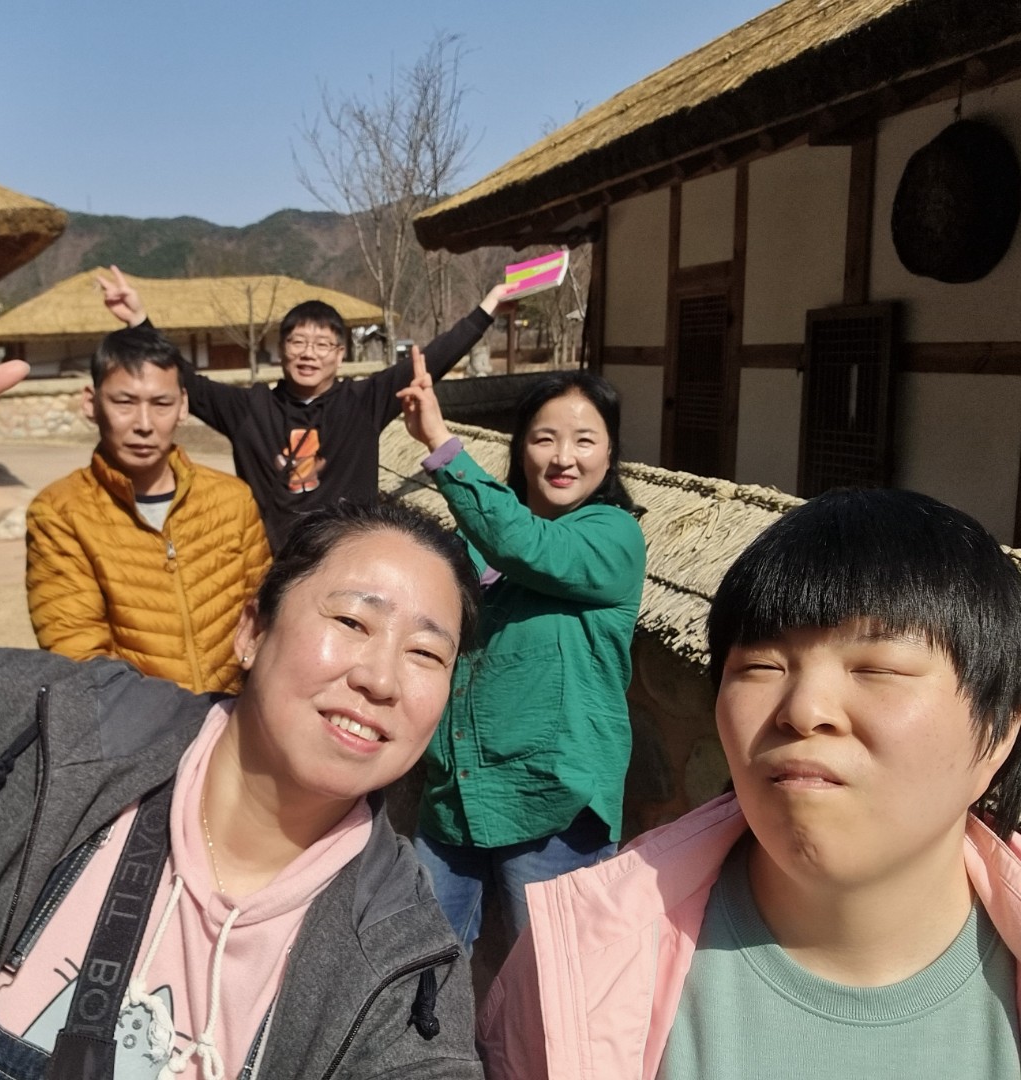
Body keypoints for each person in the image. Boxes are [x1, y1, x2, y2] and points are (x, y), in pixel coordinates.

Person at [0, 289, 488, 1079]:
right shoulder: (54, 736)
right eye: (353, 621)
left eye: (426, 653)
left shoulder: (406, 959)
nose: (380, 676)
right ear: (253, 628)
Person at [479, 488, 1021, 1080]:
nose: (804, 709)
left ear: (997, 734)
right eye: (762, 666)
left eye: (878, 668)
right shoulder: (577, 964)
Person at [396, 354, 646, 955]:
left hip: (550, 805)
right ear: (521, 449)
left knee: (554, 981)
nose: (564, 458)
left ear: (610, 453)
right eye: (544, 438)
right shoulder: (474, 541)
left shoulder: (613, 537)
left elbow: (524, 544)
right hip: (455, 797)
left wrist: (439, 442)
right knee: (415, 964)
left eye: (585, 440)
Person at [97, 265, 512, 549]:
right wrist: (139, 321)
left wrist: (487, 309)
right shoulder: (249, 408)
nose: (309, 353)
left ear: (340, 354)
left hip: (347, 557)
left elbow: (433, 357)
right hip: (271, 563)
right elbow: (185, 378)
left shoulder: (363, 402)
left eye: (322, 344)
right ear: (281, 349)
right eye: (297, 342)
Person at [26, 325, 270, 694]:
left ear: (183, 405)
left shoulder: (231, 499)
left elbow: (264, 618)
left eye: (161, 404)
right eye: (124, 402)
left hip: (236, 713)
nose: (144, 424)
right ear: (91, 403)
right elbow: (79, 653)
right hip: (138, 721)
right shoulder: (60, 512)